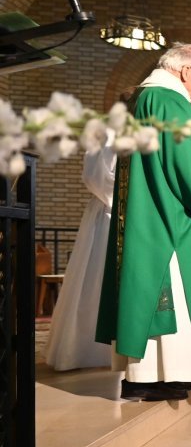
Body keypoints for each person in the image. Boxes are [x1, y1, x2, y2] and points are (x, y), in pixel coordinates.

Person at [96, 43, 191, 403]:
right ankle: (163, 377)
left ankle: (147, 376)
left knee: (147, 290)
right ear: (186, 71)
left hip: (147, 211)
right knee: (171, 290)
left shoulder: (141, 98)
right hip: (168, 219)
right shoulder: (169, 100)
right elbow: (186, 157)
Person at [46, 143, 117, 370]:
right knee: (94, 278)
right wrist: (128, 193)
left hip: (127, 211)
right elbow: (94, 175)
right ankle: (86, 349)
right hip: (108, 212)